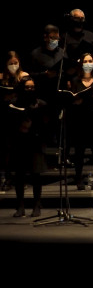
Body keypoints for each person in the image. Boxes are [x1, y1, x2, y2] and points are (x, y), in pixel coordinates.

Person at [7, 76, 48, 217]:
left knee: (36, 175)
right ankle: (20, 207)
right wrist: (20, 127)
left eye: (32, 87)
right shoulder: (14, 103)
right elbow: (8, 125)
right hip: (19, 142)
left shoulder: (40, 104)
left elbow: (46, 125)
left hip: (35, 142)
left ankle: (37, 205)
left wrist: (33, 126)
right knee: (19, 176)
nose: (30, 90)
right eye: (27, 87)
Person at [66, 52, 93, 190]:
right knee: (79, 151)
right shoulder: (75, 80)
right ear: (81, 63)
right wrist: (75, 100)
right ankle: (78, 178)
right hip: (79, 119)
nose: (88, 63)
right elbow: (71, 96)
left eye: (90, 61)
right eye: (85, 61)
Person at [28, 24, 70, 144]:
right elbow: (29, 75)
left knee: (59, 124)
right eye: (53, 38)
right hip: (42, 94)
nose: (55, 41)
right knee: (43, 125)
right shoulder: (36, 54)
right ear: (45, 37)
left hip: (58, 94)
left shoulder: (62, 52)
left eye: (57, 38)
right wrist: (44, 74)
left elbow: (66, 69)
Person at [1, 51, 29, 191]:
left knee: (20, 150)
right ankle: (6, 177)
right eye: (10, 64)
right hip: (6, 117)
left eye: (15, 63)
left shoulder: (24, 77)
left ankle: (21, 179)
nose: (13, 66)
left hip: (20, 116)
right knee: (6, 149)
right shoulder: (1, 78)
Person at [62, 8, 93, 77]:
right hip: (73, 75)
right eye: (77, 18)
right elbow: (64, 59)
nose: (80, 21)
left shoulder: (90, 35)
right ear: (71, 19)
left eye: (82, 18)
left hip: (90, 73)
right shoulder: (65, 37)